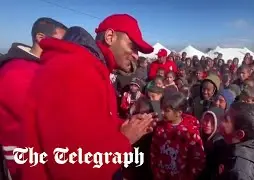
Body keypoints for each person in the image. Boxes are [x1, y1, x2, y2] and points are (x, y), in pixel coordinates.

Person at [21, 15, 156, 180]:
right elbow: (75, 167)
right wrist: (126, 139)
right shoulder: (77, 70)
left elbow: (90, 127)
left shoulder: (93, 68)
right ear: (110, 37)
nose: (136, 55)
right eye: (132, 46)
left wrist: (123, 126)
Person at [0, 17, 67, 180]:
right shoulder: (16, 72)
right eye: (62, 42)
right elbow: (47, 121)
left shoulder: (42, 69)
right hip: (22, 166)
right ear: (41, 38)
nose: (66, 48)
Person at [151, 92, 205, 180]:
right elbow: (154, 152)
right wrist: (156, 172)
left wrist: (188, 177)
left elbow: (198, 158)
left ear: (178, 113)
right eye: (162, 109)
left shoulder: (190, 132)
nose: (162, 113)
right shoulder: (160, 129)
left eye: (167, 111)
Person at [218, 102, 254, 180]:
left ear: (239, 134)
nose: (220, 117)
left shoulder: (240, 172)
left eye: (225, 118)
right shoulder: (228, 145)